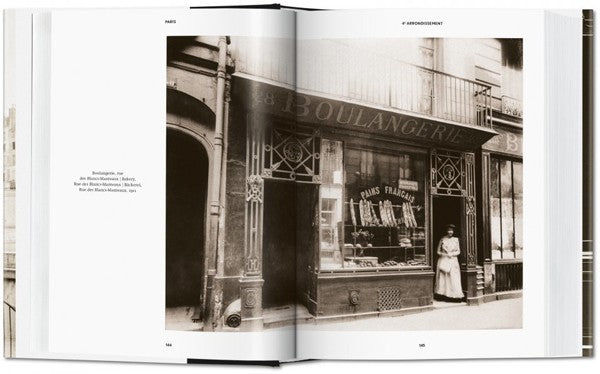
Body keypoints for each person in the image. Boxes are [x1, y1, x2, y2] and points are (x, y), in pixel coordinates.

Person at [434, 224, 464, 302]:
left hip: (453, 261)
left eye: (451, 230)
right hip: (444, 260)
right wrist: (444, 254)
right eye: (449, 230)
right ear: (446, 231)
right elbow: (438, 251)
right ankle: (443, 295)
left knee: (453, 278)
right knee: (444, 278)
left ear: (453, 231)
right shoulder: (442, 239)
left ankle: (453, 296)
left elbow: (458, 251)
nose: (450, 232)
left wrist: (452, 254)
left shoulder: (456, 240)